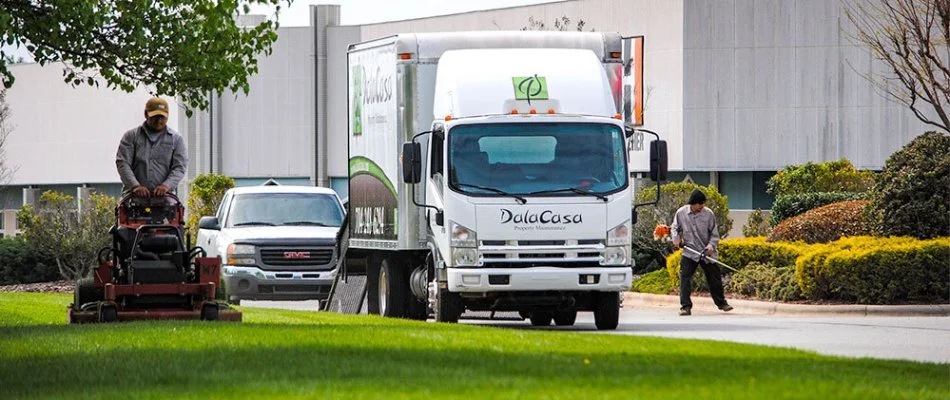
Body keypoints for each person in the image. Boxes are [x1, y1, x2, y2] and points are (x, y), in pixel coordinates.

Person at [671, 189, 733, 316]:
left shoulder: (708, 214)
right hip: (690, 251)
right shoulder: (681, 213)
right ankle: (685, 306)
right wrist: (676, 239)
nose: (702, 207)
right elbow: (674, 228)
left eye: (703, 204)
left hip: (706, 252)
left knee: (714, 278)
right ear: (692, 204)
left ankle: (722, 303)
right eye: (700, 204)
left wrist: (711, 246)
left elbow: (715, 234)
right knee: (685, 277)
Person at [115, 97, 188, 197]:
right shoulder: (131, 136)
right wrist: (135, 186)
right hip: (133, 197)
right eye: (155, 117)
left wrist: (166, 186)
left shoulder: (176, 139)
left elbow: (179, 167)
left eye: (162, 117)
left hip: (165, 198)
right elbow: (123, 163)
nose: (159, 121)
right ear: (146, 114)